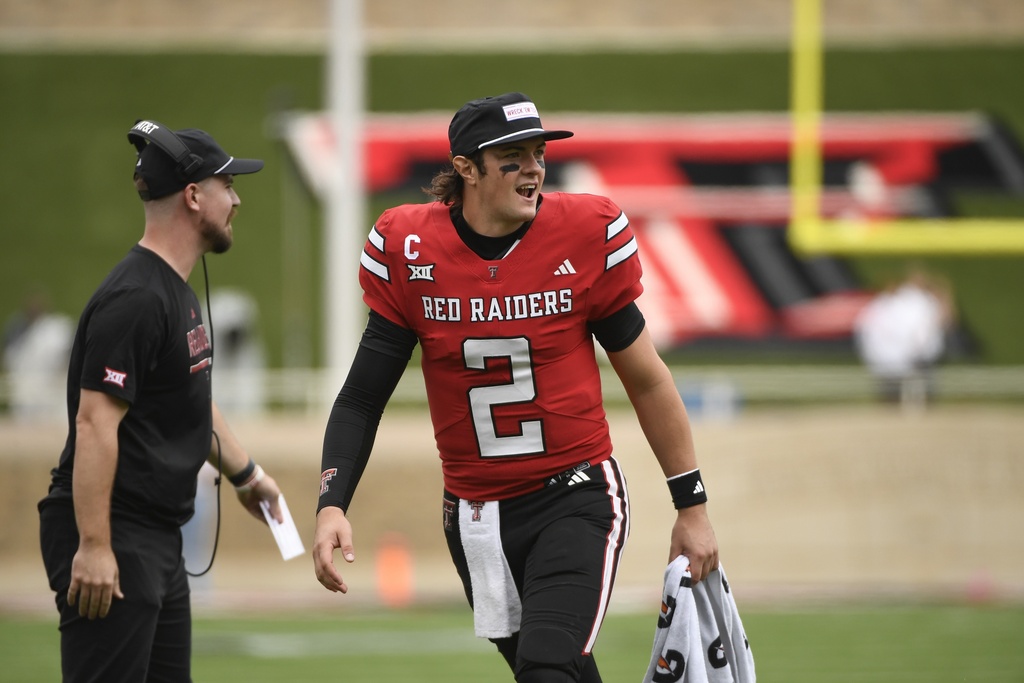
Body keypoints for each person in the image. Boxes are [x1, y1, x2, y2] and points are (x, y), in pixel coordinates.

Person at [313, 93, 719, 682]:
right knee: (559, 672)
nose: (533, 169)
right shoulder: (410, 249)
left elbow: (647, 380)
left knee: (548, 665)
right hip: (474, 515)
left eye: (538, 154)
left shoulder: (582, 235)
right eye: (513, 156)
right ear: (466, 169)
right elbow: (360, 396)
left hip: (573, 497)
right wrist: (332, 502)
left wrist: (693, 505)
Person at [38, 119, 284, 683]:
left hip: (156, 539)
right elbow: (95, 422)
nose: (237, 199)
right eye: (228, 186)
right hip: (116, 534)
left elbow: (191, 397)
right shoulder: (137, 298)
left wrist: (247, 475)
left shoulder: (174, 289)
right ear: (195, 196)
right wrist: (96, 546)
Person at [853, 264, 954, 409]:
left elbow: (942, 322)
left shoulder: (923, 301)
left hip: (915, 354)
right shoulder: (899, 302)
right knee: (893, 393)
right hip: (897, 355)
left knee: (921, 392)